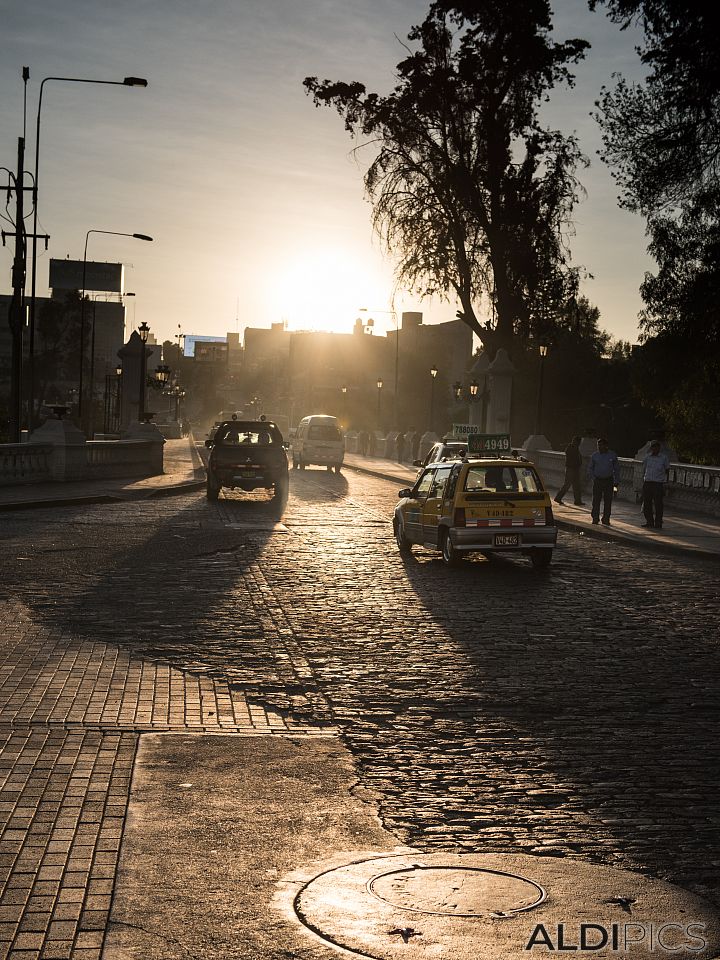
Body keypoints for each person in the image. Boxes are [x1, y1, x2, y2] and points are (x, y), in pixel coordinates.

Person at [588, 437, 620, 525]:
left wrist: (616, 481)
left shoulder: (612, 455)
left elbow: (616, 469)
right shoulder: (595, 455)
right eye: (598, 445)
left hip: (609, 480)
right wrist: (593, 478)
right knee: (596, 500)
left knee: (608, 500)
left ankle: (606, 518)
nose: (599, 447)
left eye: (601, 445)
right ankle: (595, 518)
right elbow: (590, 468)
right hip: (598, 480)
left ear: (606, 446)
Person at [641, 440, 670, 529]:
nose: (654, 449)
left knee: (658, 504)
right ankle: (649, 521)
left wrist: (664, 481)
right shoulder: (647, 457)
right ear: (651, 448)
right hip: (648, 482)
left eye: (656, 447)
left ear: (659, 448)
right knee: (647, 503)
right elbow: (644, 469)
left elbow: (667, 470)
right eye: (653, 447)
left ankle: (658, 522)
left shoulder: (663, 458)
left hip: (658, 483)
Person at [555, 436, 585, 506]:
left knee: (576, 485)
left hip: (574, 468)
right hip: (571, 468)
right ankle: (558, 497)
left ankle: (577, 500)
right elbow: (572, 458)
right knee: (568, 484)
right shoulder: (571, 448)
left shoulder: (573, 448)